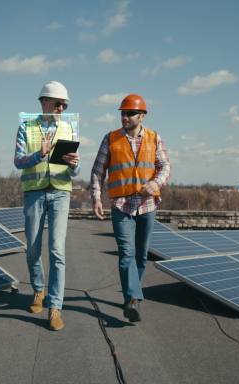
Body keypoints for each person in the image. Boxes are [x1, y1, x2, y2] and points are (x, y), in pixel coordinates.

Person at [89, 94, 171, 322]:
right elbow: (98, 171)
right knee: (126, 254)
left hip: (147, 205)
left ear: (142, 116)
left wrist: (155, 183)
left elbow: (164, 166)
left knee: (141, 256)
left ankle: (133, 292)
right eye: (122, 113)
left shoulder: (154, 138)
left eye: (130, 113)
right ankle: (132, 299)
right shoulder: (111, 139)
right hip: (121, 205)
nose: (124, 117)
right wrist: (96, 198)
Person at [13, 81, 80, 331]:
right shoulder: (26, 128)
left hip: (61, 192)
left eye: (65, 104)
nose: (62, 107)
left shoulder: (69, 128)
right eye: (58, 103)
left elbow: (77, 169)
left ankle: (55, 308)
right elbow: (18, 162)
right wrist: (38, 155)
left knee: (57, 250)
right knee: (32, 248)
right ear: (44, 102)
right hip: (34, 193)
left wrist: (75, 165)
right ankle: (38, 290)